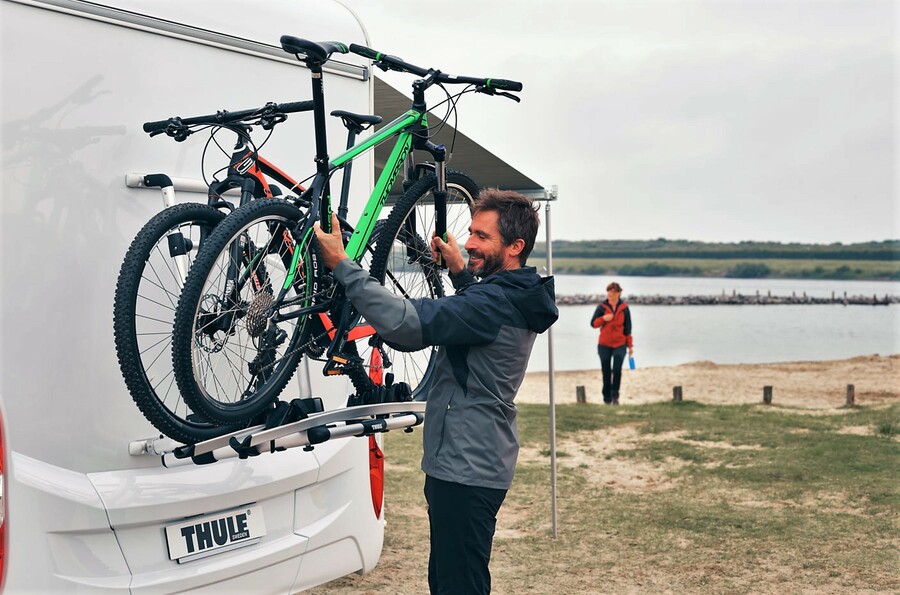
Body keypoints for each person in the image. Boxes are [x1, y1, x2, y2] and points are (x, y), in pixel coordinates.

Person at [314, 189, 558, 594]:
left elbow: (405, 324)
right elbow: (477, 319)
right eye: (471, 233)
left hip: (466, 468)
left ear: (515, 246)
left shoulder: (493, 303)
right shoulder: (513, 295)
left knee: (458, 584)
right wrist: (461, 273)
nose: (469, 242)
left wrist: (343, 264)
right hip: (472, 460)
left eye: (482, 236)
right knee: (449, 579)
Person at [590, 282, 633, 405]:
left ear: (619, 293)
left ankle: (615, 396)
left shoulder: (624, 308)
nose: (610, 294)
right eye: (608, 291)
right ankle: (607, 398)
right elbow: (593, 324)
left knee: (617, 370)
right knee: (606, 371)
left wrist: (630, 346)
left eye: (613, 291)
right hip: (604, 344)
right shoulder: (602, 307)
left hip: (620, 344)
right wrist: (603, 319)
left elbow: (628, 329)